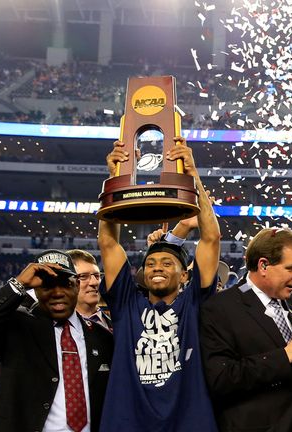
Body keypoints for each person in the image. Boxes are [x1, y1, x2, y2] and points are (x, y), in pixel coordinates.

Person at [97, 137, 219, 431]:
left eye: (167, 263)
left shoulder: (193, 303)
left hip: (188, 422)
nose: (156, 269)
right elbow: (108, 242)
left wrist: (192, 174)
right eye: (150, 264)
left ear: (185, 274)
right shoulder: (127, 302)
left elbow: (211, 238)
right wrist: (115, 176)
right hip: (128, 422)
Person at [0, 250, 113, 432]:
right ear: (36, 290)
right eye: (47, 285)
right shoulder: (20, 328)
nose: (57, 293)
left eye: (65, 284)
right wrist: (18, 284)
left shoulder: (102, 336)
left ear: (77, 285)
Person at [200, 228, 292, 432]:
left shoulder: (291, 306)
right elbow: (222, 378)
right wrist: (285, 355)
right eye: (291, 268)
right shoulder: (221, 307)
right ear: (263, 266)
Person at [68, 249, 112, 331]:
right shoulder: (50, 326)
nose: (94, 282)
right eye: (83, 276)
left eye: (97, 276)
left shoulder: (118, 325)